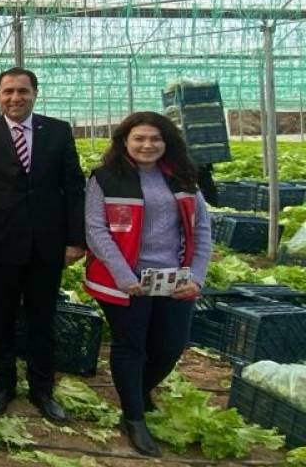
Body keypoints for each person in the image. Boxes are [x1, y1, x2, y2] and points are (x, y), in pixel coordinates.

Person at [84, 111, 212, 457]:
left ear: (166, 142)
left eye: (155, 139)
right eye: (139, 138)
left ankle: (137, 393)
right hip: (125, 281)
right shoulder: (106, 178)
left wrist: (196, 277)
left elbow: (201, 230)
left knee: (170, 346)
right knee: (131, 346)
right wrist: (125, 276)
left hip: (174, 280)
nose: (147, 145)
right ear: (124, 142)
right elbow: (96, 231)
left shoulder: (183, 177)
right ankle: (134, 418)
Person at [0, 67, 85, 422]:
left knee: (42, 318)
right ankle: (3, 385)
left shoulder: (57, 131)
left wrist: (76, 240)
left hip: (47, 243)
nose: (15, 98)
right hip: (0, 243)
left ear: (35, 93)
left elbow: (74, 186)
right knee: (0, 317)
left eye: (23, 91)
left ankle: (42, 390)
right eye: (8, 92)